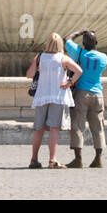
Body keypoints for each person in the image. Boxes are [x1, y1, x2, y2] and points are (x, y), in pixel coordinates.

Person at [27, 32, 80, 169]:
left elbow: (29, 75)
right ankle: (52, 160)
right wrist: (70, 82)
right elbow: (79, 70)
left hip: (41, 96)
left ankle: (34, 160)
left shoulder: (40, 57)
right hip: (58, 96)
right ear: (60, 45)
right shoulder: (63, 58)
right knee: (54, 129)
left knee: (39, 129)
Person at [64, 28, 107, 168]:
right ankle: (98, 159)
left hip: (82, 93)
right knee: (98, 127)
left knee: (78, 125)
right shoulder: (103, 57)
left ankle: (78, 159)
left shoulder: (80, 53)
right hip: (98, 94)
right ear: (97, 42)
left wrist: (80, 32)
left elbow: (66, 39)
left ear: (83, 43)